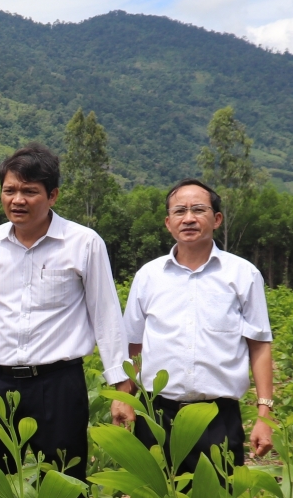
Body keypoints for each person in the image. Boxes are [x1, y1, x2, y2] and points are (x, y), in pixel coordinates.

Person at [0, 143, 129, 482]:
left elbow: (106, 318)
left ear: (53, 196)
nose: (18, 200)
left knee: (65, 485)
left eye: (30, 191)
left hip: (59, 384)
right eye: (10, 190)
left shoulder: (83, 243)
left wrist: (120, 390)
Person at [113, 179, 273, 472]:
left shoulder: (242, 274)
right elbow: (132, 345)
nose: (188, 218)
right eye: (179, 211)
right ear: (168, 222)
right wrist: (124, 397)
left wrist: (264, 414)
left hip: (218, 418)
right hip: (157, 414)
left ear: (217, 219)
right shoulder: (148, 276)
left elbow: (259, 344)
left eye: (199, 210)